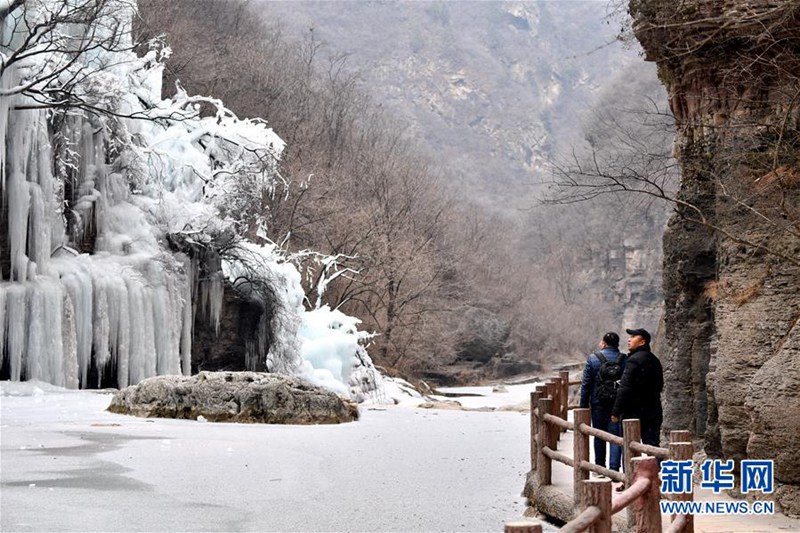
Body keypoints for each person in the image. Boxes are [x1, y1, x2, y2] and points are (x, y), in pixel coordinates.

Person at [579, 332, 625, 472]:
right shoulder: (624, 359)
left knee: (599, 435)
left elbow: (586, 384)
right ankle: (614, 470)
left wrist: (583, 406)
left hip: (598, 403)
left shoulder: (593, 358)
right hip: (617, 405)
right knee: (615, 436)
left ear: (604, 343)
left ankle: (600, 468)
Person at [611, 328, 664, 448]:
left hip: (633, 412)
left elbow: (625, 387)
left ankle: (631, 468)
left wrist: (616, 411)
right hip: (653, 411)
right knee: (653, 447)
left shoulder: (633, 360)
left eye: (633, 337)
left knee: (630, 447)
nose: (629, 339)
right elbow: (660, 385)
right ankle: (659, 467)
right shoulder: (655, 360)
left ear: (642, 342)